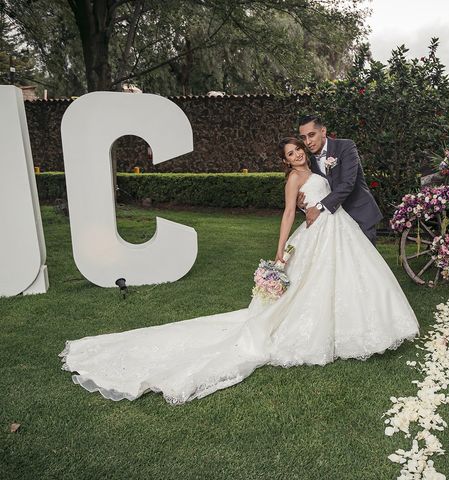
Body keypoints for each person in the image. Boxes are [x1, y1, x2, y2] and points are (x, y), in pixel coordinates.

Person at [59, 138, 419, 405]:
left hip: (338, 229)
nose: (296, 157)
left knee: (351, 279)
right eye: (289, 155)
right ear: (284, 162)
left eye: (298, 151)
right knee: (310, 288)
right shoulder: (293, 181)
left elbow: (335, 190)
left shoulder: (320, 170)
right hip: (315, 236)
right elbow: (288, 215)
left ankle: (354, 326)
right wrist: (279, 252)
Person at [298, 115, 382, 245]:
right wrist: (304, 205)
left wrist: (319, 207)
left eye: (311, 135)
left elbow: (348, 184)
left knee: (364, 263)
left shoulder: (346, 146)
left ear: (323, 131)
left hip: (359, 215)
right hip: (334, 223)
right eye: (304, 138)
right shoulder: (310, 163)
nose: (308, 142)